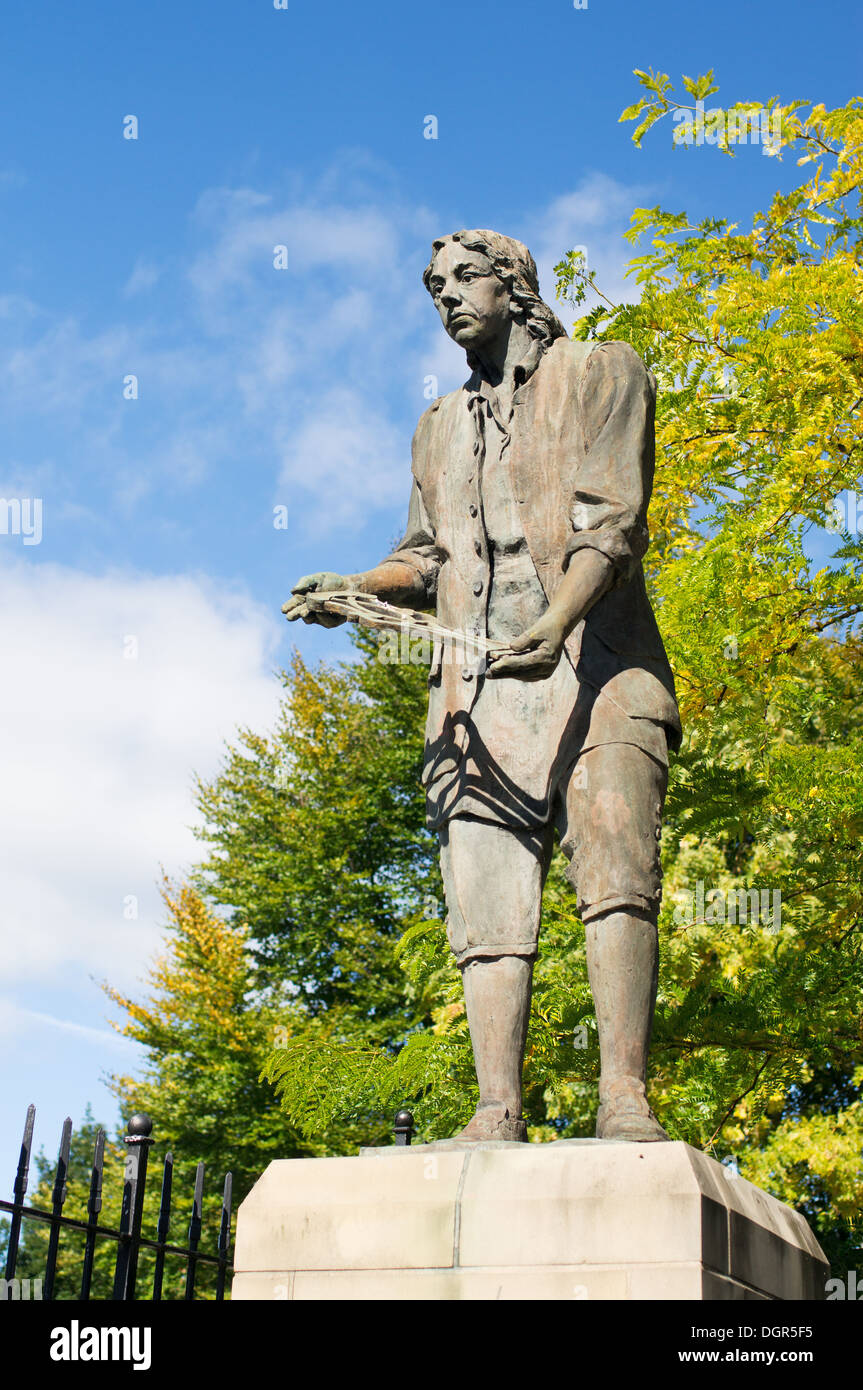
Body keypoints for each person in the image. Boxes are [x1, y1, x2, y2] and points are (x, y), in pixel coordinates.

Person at [283, 229, 681, 1142]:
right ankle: (493, 1110)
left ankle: (622, 1097)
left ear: (513, 284)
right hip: (477, 692)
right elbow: (422, 557)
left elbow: (610, 522)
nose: (446, 297)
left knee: (617, 873)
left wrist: (557, 622)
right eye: (434, 286)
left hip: (598, 667)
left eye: (464, 278)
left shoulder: (601, 372)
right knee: (486, 903)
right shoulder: (436, 427)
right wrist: (355, 589)